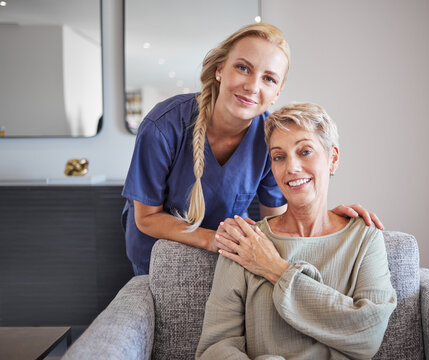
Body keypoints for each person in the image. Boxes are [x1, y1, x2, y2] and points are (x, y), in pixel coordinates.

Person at [121, 23, 383, 276]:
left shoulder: (271, 139)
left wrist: (328, 220)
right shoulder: (163, 125)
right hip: (160, 256)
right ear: (220, 69)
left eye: (268, 78)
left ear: (277, 92)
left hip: (228, 256)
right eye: (243, 68)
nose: (253, 86)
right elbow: (147, 218)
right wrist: (213, 240)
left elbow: (279, 219)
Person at [196, 103, 397, 360]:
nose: (291, 167)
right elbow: (214, 348)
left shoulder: (364, 238)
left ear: (333, 158)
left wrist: (276, 269)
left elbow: (368, 335)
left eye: (305, 151)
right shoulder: (245, 242)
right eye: (279, 157)